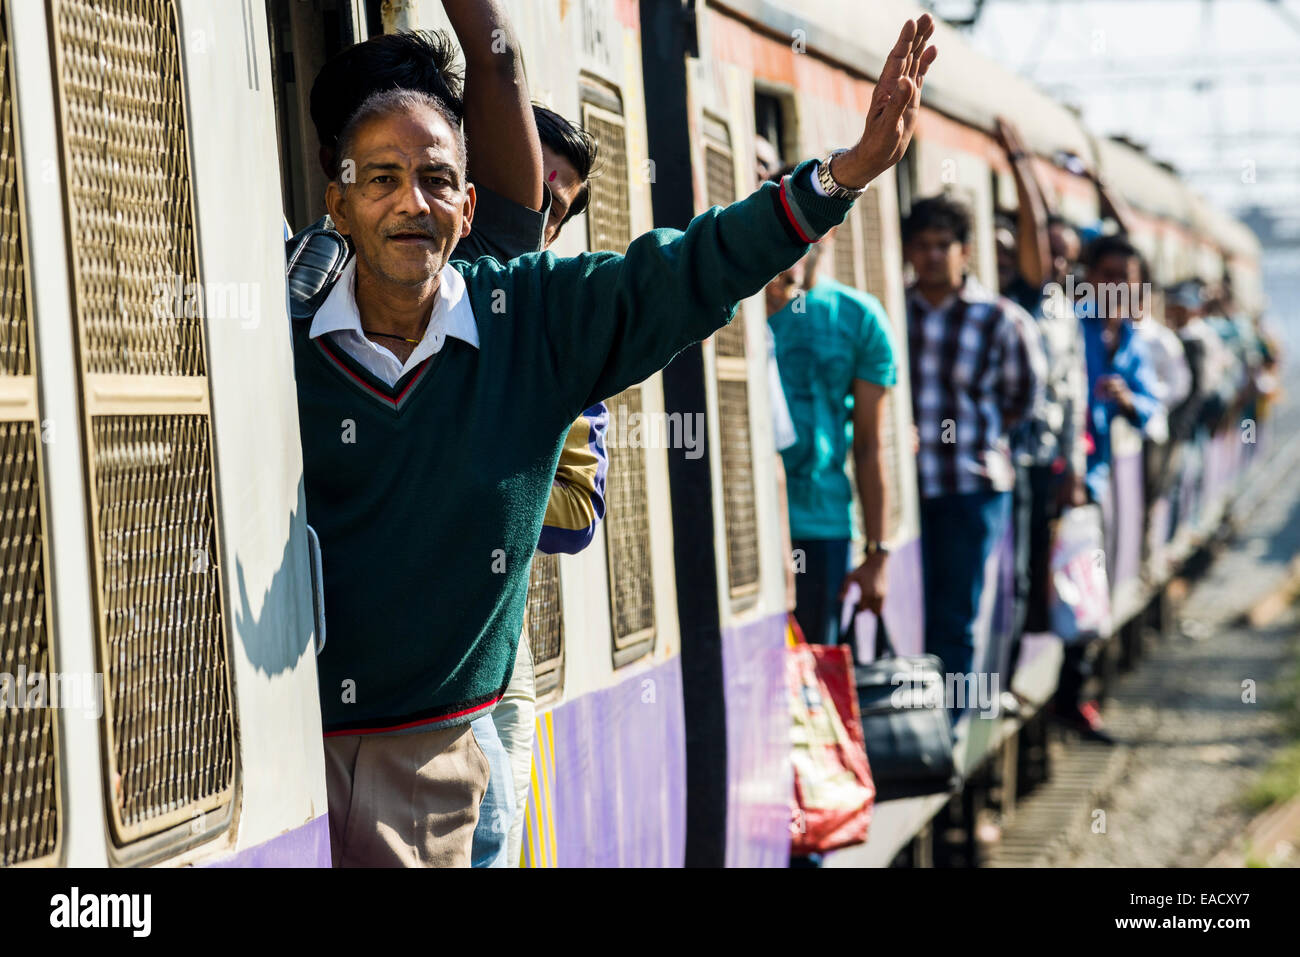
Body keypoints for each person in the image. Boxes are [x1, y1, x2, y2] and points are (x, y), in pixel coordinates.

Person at [299, 16, 938, 866]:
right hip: (293, 759)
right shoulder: (282, 330)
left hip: (436, 759)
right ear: (336, 198)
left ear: (469, 205)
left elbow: (688, 270)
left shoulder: (530, 317)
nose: (411, 202)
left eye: (436, 179)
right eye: (381, 178)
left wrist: (840, 178)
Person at [902, 193, 1044, 717]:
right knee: (914, 605)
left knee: (957, 613)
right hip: (910, 488)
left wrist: (971, 439)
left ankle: (949, 730)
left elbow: (1022, 399)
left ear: (965, 251)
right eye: (922, 245)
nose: (934, 256)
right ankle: (912, 723)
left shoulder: (1001, 319)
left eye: (944, 245)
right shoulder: (896, 310)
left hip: (973, 487)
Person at [765, 185, 898, 645]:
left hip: (822, 524)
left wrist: (877, 553)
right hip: (751, 523)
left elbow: (869, 445)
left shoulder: (860, 318)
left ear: (831, 229)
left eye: (813, 225)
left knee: (815, 664)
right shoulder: (737, 308)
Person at [992, 119, 1088, 708]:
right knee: (1012, 574)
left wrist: (1073, 465)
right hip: (1012, 455)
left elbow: (1073, 394)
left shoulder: (1061, 310)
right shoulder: (1022, 299)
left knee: (1027, 575)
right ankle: (998, 681)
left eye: (1067, 257)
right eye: (1051, 251)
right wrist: (1023, 162)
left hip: (1044, 459)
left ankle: (1010, 676)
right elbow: (1035, 236)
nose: (1056, 263)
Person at [1059, 234, 1163, 743]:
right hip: (1057, 475)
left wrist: (1128, 402)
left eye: (1126, 278)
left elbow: (1153, 412)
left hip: (1094, 480)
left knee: (1085, 589)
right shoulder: (1066, 326)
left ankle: (1073, 691)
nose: (1116, 287)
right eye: (1108, 276)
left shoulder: (1134, 344)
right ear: (1088, 278)